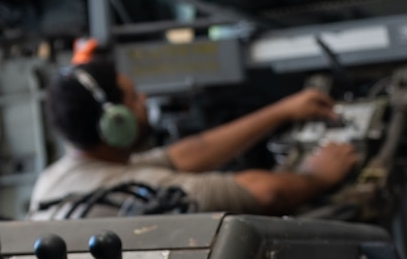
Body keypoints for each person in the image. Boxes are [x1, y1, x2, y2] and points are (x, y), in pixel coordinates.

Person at [30, 59, 359, 218]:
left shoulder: (59, 177)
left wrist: (280, 112)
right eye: (133, 99)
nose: (144, 100)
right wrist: (317, 176)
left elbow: (182, 156)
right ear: (115, 122)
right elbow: (267, 193)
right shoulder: (126, 191)